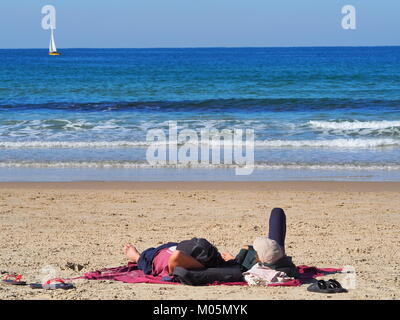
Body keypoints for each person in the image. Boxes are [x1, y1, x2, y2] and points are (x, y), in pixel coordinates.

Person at [221, 207, 298, 278]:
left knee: (276, 212)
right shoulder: (288, 266)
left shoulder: (257, 268)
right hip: (278, 258)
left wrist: (233, 259)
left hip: (251, 258)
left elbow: (240, 268)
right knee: (277, 211)